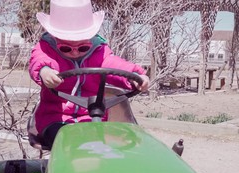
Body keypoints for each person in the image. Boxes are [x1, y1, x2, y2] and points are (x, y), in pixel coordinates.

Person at [29, 0, 150, 148]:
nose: (75, 52)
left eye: (83, 47)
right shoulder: (46, 49)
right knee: (70, 142)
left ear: (90, 39)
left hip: (92, 117)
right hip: (54, 118)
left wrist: (135, 76)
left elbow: (114, 64)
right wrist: (45, 71)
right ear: (55, 38)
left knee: (107, 144)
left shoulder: (99, 51)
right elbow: (40, 60)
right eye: (66, 48)